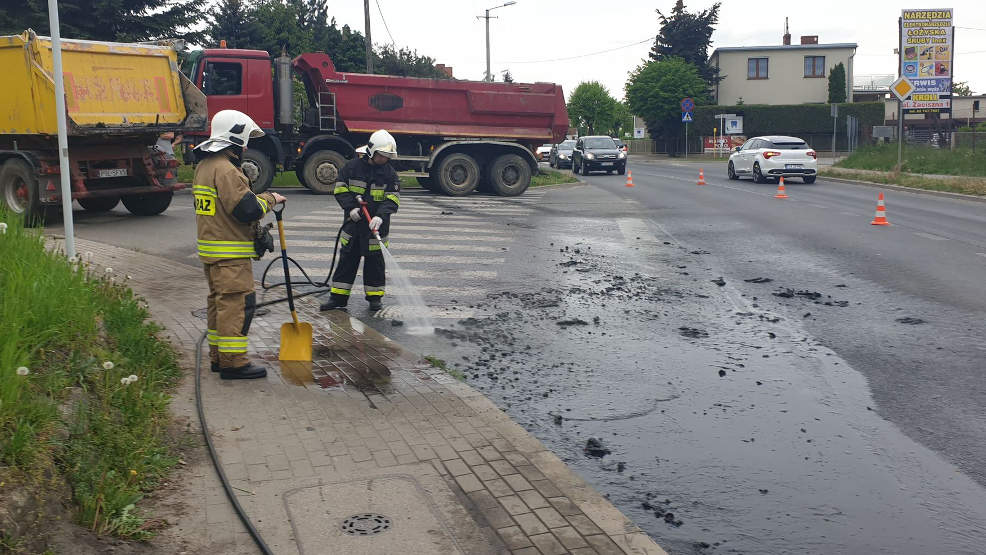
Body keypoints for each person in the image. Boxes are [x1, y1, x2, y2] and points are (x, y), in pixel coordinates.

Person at [194, 110, 286, 380]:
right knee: (238, 305)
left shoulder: (205, 166)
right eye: (244, 140)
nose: (246, 147)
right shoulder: (226, 169)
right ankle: (233, 363)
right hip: (230, 256)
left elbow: (224, 210)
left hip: (212, 253)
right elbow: (246, 209)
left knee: (218, 305)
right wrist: (271, 198)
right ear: (234, 138)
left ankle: (218, 358)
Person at [320, 129, 400, 312]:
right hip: (354, 226)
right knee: (347, 262)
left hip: (375, 228)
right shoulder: (351, 168)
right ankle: (338, 298)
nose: (384, 159)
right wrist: (351, 208)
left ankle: (374, 298)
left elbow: (392, 198)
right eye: (381, 155)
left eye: (387, 157)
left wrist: (380, 216)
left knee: (375, 264)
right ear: (372, 151)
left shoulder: (389, 174)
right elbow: (340, 189)